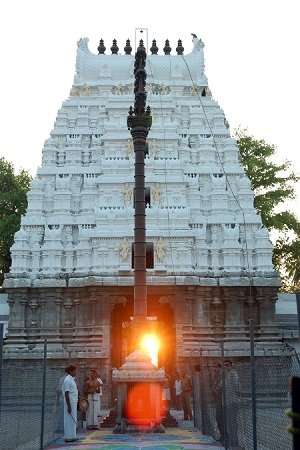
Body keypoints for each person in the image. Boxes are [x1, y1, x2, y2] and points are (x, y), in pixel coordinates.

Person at [223, 360, 241, 449]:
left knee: (233, 423)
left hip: (233, 401)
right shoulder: (228, 374)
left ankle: (235, 442)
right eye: (225, 365)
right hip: (228, 401)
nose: (226, 367)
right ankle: (233, 441)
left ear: (231, 365)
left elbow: (237, 386)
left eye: (227, 365)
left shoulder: (233, 374)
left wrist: (235, 395)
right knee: (230, 423)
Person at [62, 365, 79, 443]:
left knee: (73, 419)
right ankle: (68, 437)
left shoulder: (72, 379)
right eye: (75, 371)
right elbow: (66, 393)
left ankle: (73, 436)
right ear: (71, 371)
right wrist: (69, 406)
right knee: (69, 419)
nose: (76, 372)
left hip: (73, 402)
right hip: (70, 403)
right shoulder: (67, 380)